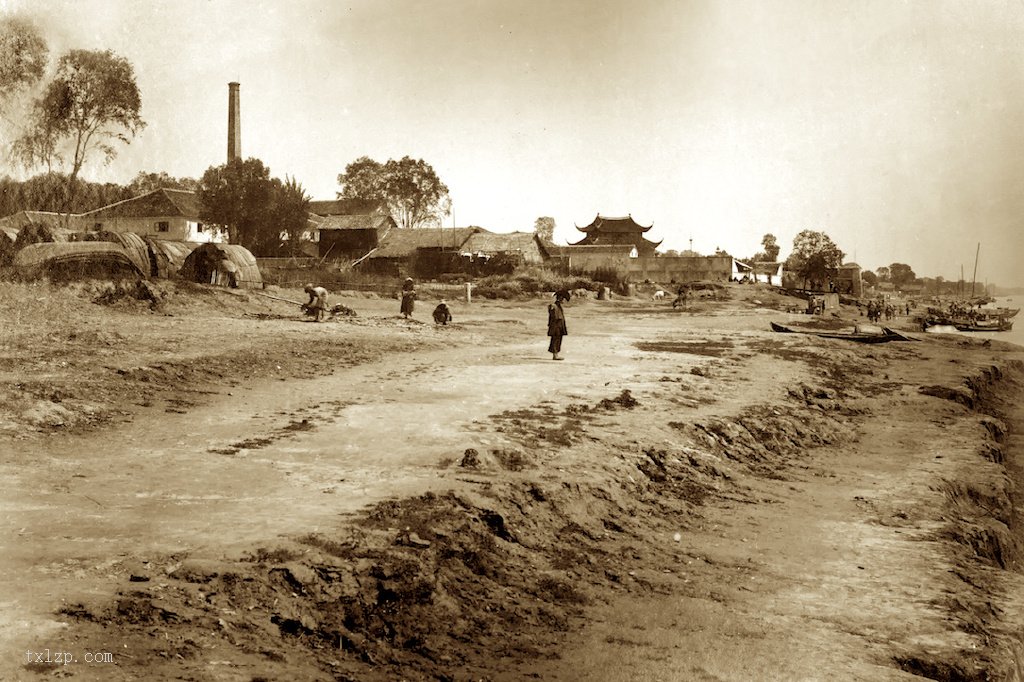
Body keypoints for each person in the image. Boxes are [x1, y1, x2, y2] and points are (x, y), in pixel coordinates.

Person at [547, 290, 569, 360]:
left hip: (559, 326)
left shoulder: (557, 306)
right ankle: (555, 355)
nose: (563, 301)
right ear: (560, 298)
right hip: (556, 326)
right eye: (563, 299)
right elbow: (554, 317)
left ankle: (556, 354)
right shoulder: (554, 306)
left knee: (557, 340)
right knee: (555, 340)